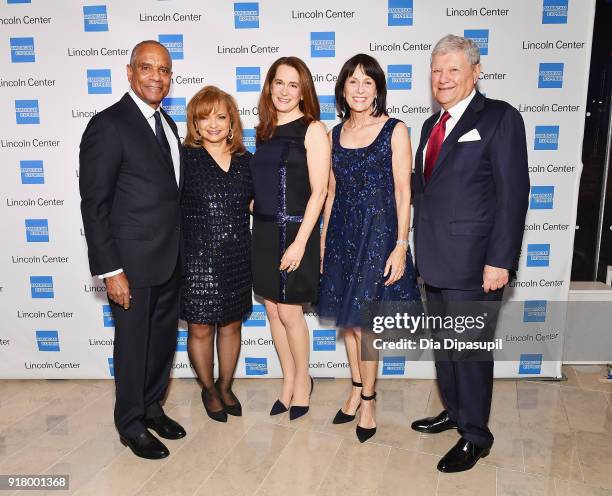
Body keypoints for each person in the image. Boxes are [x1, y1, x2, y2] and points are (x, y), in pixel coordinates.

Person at [411, 34, 529, 473]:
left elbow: (513, 194)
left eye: (453, 70)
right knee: (445, 348)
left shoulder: (499, 118)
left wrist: (500, 260)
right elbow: (427, 193)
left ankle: (476, 435)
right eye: (437, 70)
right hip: (436, 261)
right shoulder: (430, 126)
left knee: (470, 350)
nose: (443, 79)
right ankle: (456, 413)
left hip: (476, 264)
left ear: (475, 73)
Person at [79, 40, 185, 460]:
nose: (156, 76)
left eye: (163, 69)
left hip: (169, 258)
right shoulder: (108, 124)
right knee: (132, 345)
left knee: (161, 342)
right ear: (129, 72)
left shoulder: (169, 124)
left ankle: (152, 406)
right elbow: (95, 203)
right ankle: (130, 423)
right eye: (147, 68)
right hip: (131, 265)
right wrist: (110, 270)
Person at [318, 54, 422, 443]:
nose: (359, 89)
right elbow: (330, 193)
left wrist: (400, 245)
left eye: (367, 82)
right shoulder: (333, 134)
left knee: (365, 325)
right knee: (349, 323)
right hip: (343, 235)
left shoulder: (395, 129)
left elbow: (403, 191)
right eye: (352, 82)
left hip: (378, 235)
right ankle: (354, 387)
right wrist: (326, 242)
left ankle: (368, 400)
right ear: (342, 89)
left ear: (377, 88)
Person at [250, 56, 330, 420]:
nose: (284, 91)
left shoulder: (313, 129)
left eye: (293, 84)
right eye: (278, 83)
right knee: (271, 310)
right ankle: (287, 381)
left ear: (303, 91)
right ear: (270, 87)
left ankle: (302, 383)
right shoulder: (263, 130)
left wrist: (300, 242)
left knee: (290, 312)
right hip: (264, 231)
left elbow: (320, 192)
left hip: (297, 230)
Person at [181, 86, 253, 423]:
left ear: (232, 121)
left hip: (236, 256)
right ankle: (208, 389)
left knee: (231, 326)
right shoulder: (183, 159)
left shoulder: (246, 161)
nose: (213, 124)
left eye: (220, 116)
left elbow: (261, 206)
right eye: (204, 117)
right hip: (196, 259)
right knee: (200, 330)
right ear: (194, 123)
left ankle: (226, 386)